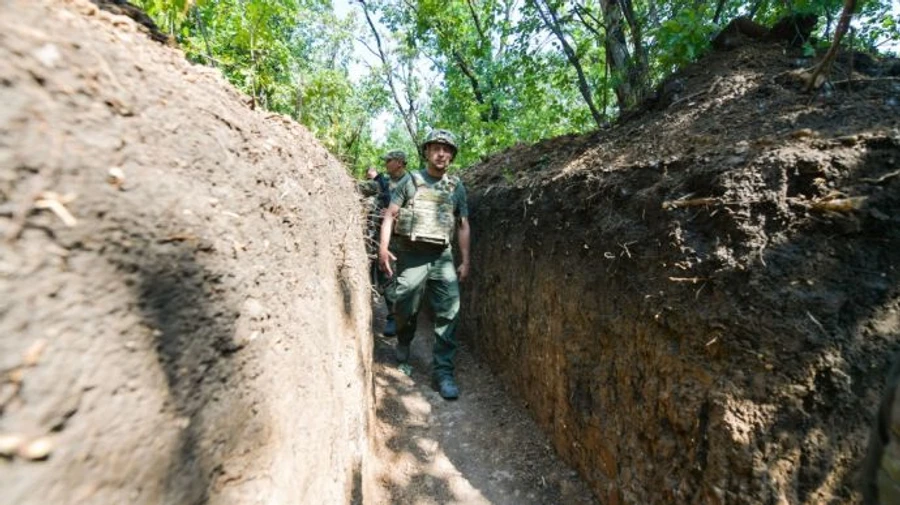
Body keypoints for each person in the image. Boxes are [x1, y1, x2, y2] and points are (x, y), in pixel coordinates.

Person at [378, 129, 470, 400]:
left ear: (452, 155)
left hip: (442, 257)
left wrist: (466, 260)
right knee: (405, 304)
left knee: (449, 311)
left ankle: (443, 372)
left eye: (447, 149)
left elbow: (463, 225)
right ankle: (405, 340)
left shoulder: (456, 187)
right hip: (412, 255)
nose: (442, 153)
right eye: (436, 148)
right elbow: (390, 216)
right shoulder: (411, 181)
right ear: (427, 152)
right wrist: (383, 249)